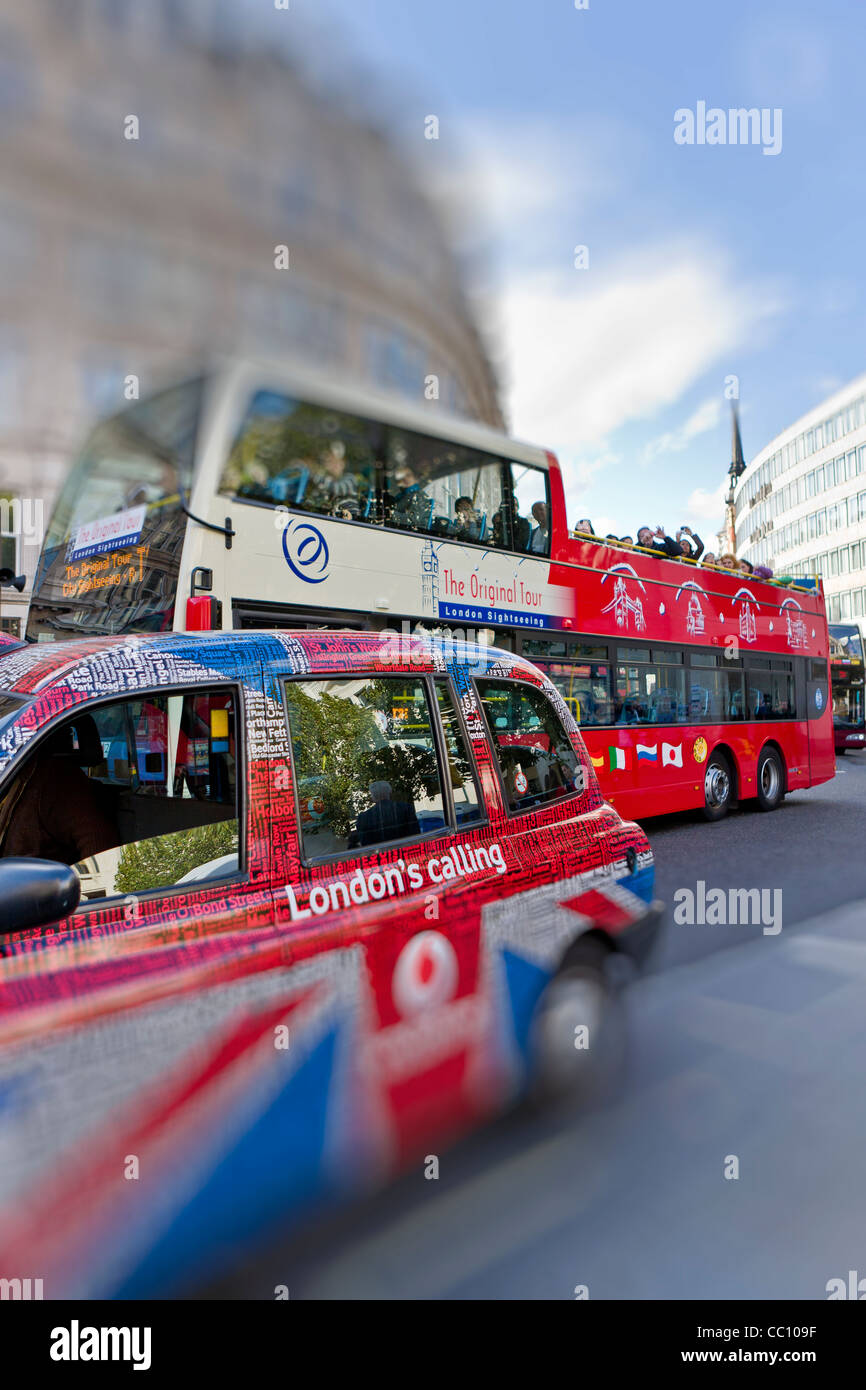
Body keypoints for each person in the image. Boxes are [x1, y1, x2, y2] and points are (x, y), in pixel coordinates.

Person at [0, 742, 117, 866]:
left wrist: (93, 882)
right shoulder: (11, 773)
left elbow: (98, 843)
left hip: (40, 882)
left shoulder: (56, 779)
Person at [349, 780, 420, 848]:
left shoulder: (364, 818)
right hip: (407, 854)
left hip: (381, 857)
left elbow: (366, 845)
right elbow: (415, 835)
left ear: (373, 796)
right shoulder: (406, 808)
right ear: (390, 792)